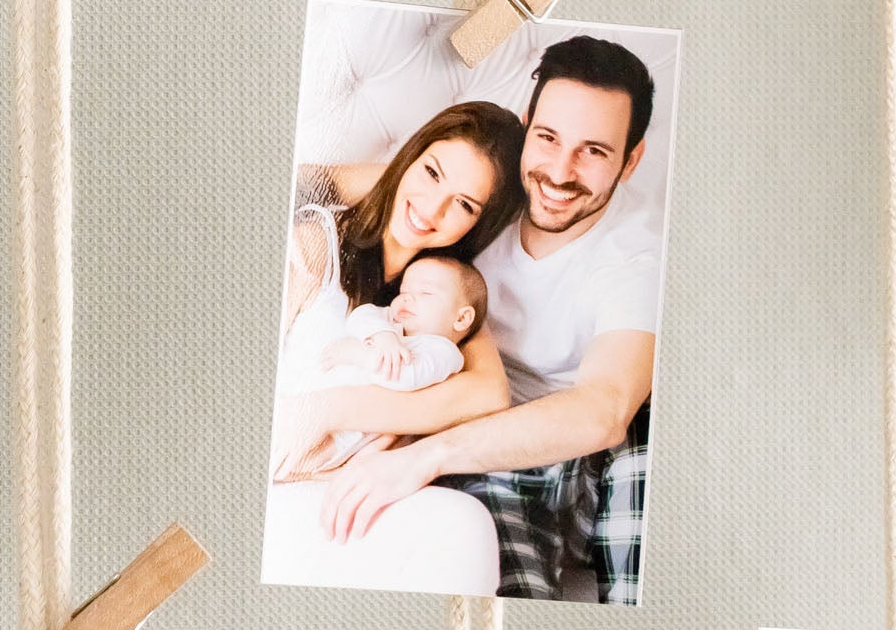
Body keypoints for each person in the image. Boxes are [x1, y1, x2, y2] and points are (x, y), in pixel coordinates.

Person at [317, 38, 661, 600]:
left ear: (631, 159)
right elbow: (339, 186)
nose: (559, 172)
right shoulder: (483, 192)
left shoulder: (638, 257)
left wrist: (424, 459)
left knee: (647, 432)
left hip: (594, 454)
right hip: (495, 460)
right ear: (527, 127)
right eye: (547, 138)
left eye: (593, 151)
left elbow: (605, 412)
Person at [266, 102, 523, 596]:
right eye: (430, 171)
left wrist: (330, 409)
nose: (431, 210)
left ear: (479, 224)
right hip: (282, 479)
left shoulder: (445, 294)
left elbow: (489, 395)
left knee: (465, 527)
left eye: (464, 205)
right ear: (408, 157)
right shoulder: (314, 245)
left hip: (351, 491)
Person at [270, 251, 488, 480]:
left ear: (462, 319)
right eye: (403, 291)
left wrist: (360, 354)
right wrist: (383, 334)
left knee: (291, 457)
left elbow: (404, 377)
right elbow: (362, 314)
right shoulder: (392, 325)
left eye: (425, 293)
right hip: (312, 397)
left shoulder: (444, 353)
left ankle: (294, 474)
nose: (406, 299)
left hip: (348, 434)